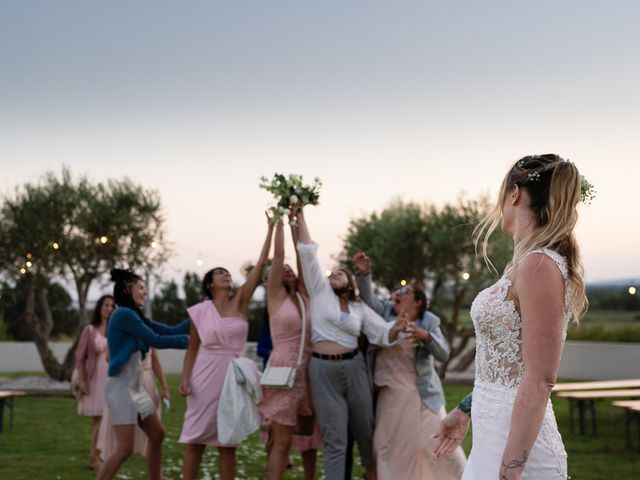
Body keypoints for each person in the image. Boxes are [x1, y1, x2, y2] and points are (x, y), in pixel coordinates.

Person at [437, 154, 588, 479]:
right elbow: (510, 369)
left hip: (518, 452)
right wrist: (465, 410)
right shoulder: (524, 265)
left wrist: (510, 469)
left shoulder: (538, 265)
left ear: (515, 193)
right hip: (491, 438)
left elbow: (539, 379)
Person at [294, 205, 408, 479]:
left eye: (340, 273)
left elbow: (381, 332)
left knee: (365, 430)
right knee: (336, 439)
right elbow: (308, 253)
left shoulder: (358, 308)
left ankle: (373, 473)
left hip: (354, 368)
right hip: (323, 371)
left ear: (349, 283)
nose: (333, 274)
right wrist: (300, 216)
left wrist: (398, 327)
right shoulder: (319, 292)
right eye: (331, 272)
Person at [353, 252, 466, 479]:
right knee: (387, 447)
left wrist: (426, 337)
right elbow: (368, 297)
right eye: (398, 291)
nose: (397, 294)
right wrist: (364, 274)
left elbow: (443, 354)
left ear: (418, 302)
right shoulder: (384, 312)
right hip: (389, 396)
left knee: (437, 443)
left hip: (422, 394)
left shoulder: (429, 322)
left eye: (405, 292)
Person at [179, 216, 274, 480]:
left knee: (227, 441)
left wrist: (271, 228)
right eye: (220, 273)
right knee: (195, 439)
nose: (226, 275)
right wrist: (186, 378)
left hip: (233, 377)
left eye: (227, 272)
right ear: (210, 284)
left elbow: (260, 268)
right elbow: (192, 348)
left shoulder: (241, 301)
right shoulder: (200, 311)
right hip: (204, 376)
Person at [97, 269, 190, 480]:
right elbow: (157, 339)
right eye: (140, 287)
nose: (144, 292)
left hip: (135, 388)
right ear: (126, 289)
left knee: (157, 435)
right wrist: (189, 342)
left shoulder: (134, 315)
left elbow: (167, 330)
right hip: (120, 388)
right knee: (125, 448)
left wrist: (197, 318)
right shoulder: (123, 314)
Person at [259, 215, 318, 480]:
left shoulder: (306, 295)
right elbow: (281, 254)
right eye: (281, 269)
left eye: (289, 268)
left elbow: (301, 255)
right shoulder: (275, 295)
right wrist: (279, 224)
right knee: (282, 440)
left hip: (309, 369)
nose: (286, 269)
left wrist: (297, 220)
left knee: (309, 433)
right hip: (283, 369)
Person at [97, 348, 170, 460]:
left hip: (144, 383)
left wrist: (165, 387)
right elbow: (109, 358)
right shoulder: (119, 332)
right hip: (129, 382)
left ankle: (156, 474)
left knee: (156, 435)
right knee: (126, 446)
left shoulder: (149, 332)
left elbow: (156, 361)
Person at [75, 294, 115, 470]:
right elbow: (80, 357)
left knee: (108, 418)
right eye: (106, 305)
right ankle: (94, 456)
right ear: (100, 307)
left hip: (111, 378)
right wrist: (82, 380)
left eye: (112, 306)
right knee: (98, 419)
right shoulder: (90, 330)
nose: (109, 309)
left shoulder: (115, 329)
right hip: (94, 378)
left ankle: (101, 454)